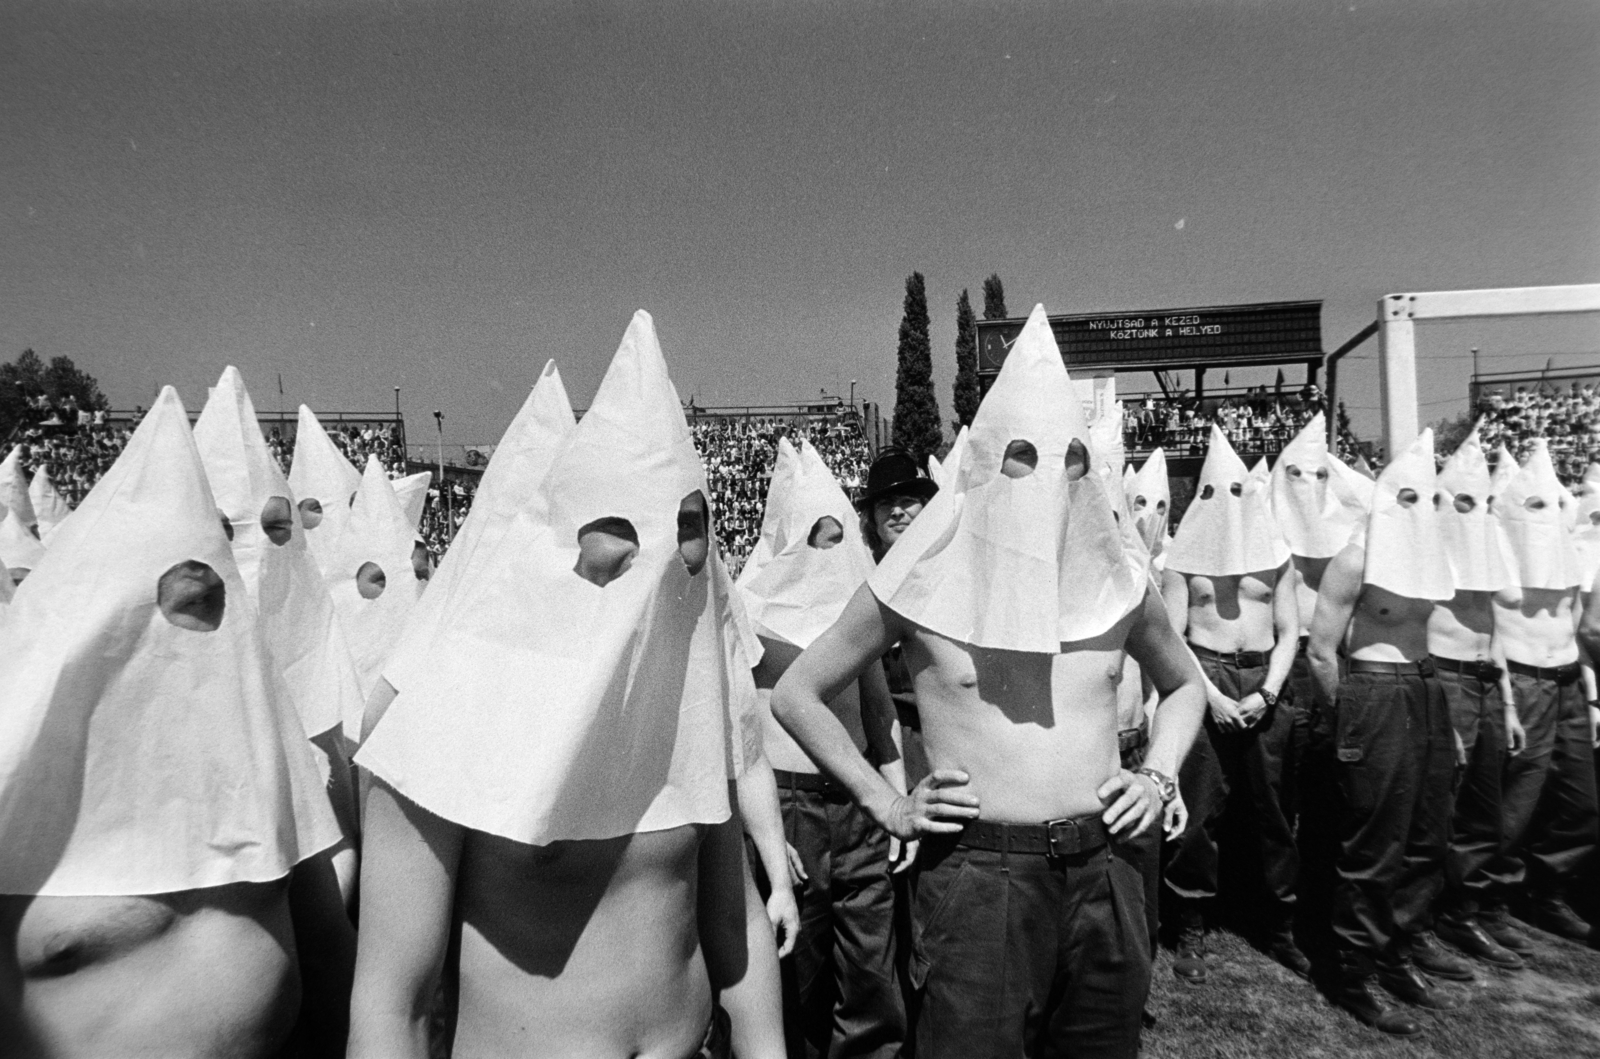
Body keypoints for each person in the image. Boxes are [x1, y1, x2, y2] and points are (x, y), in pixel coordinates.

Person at [773, 306, 1206, 1056]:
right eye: (1022, 455)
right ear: (984, 461)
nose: (1051, 474)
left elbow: (1186, 684)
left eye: (1070, 456)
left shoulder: (1118, 582)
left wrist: (1160, 774)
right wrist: (887, 802)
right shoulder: (922, 575)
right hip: (978, 875)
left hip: (1106, 865)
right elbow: (796, 692)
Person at [350, 312, 784, 1059]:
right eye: (633, 526)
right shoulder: (446, 719)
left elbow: (732, 915)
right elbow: (394, 1002)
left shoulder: (685, 700)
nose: (676, 552)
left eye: (691, 525)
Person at [0, 388, 350, 1058]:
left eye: (215, 601)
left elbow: (330, 952)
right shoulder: (18, 765)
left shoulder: (263, 744)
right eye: (171, 608)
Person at [738, 438, 907, 1058]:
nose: (828, 551)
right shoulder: (748, 612)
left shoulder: (855, 609)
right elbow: (735, 727)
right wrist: (761, 831)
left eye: (838, 537)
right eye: (815, 537)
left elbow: (878, 707)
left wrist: (896, 796)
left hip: (859, 805)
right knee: (795, 971)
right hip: (789, 810)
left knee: (870, 968)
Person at [1308, 430, 1459, 1037]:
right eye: (1407, 496)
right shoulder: (1356, 558)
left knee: (1426, 831)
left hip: (1426, 687)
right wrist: (1349, 718)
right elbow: (1321, 651)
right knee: (1376, 840)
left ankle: (1399, 952)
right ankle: (1354, 971)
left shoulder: (1427, 555)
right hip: (1375, 690)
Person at [1162, 426, 1307, 982]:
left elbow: (1290, 631)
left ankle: (1279, 924)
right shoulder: (1183, 563)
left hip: (1265, 676)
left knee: (1274, 807)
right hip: (1207, 674)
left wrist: (1268, 691)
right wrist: (1213, 696)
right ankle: (1191, 923)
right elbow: (1173, 637)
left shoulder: (1276, 559)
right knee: (1201, 807)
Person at [1487, 439, 1597, 944]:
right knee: (1515, 804)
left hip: (1569, 683)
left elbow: (1576, 628)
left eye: (1553, 503)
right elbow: (1487, 634)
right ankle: (1492, 901)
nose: (1547, 512)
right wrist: (1507, 697)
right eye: (1535, 504)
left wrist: (1590, 696)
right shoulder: (1494, 559)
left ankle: (1547, 891)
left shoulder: (1567, 556)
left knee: (1582, 803)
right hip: (1523, 682)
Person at [1426, 429, 1525, 971]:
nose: (1473, 512)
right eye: (1463, 501)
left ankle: (1471, 908)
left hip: (1485, 682)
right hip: (1446, 679)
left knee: (1484, 805)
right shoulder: (1425, 551)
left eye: (1479, 502)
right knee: (1445, 805)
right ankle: (1436, 914)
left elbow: (1494, 626)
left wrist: (1507, 703)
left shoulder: (1486, 552)